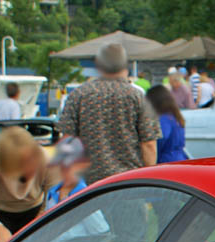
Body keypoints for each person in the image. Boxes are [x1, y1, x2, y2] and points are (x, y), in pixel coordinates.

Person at [56, 42, 160, 184]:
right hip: (128, 182)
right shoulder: (138, 97)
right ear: (125, 65)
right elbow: (149, 145)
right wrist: (147, 180)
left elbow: (68, 140)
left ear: (99, 65)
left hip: (89, 185)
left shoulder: (79, 95)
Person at [0, 126, 55, 242]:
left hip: (34, 211)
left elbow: (54, 199)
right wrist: (0, 230)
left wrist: (39, 222)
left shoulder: (46, 160)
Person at [46, 136, 90, 210]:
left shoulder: (85, 196)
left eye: (68, 167)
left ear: (82, 165)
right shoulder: (53, 191)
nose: (63, 171)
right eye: (60, 165)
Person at [147, 84, 187, 163]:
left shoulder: (164, 119)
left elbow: (162, 138)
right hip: (179, 158)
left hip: (166, 161)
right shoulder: (175, 116)